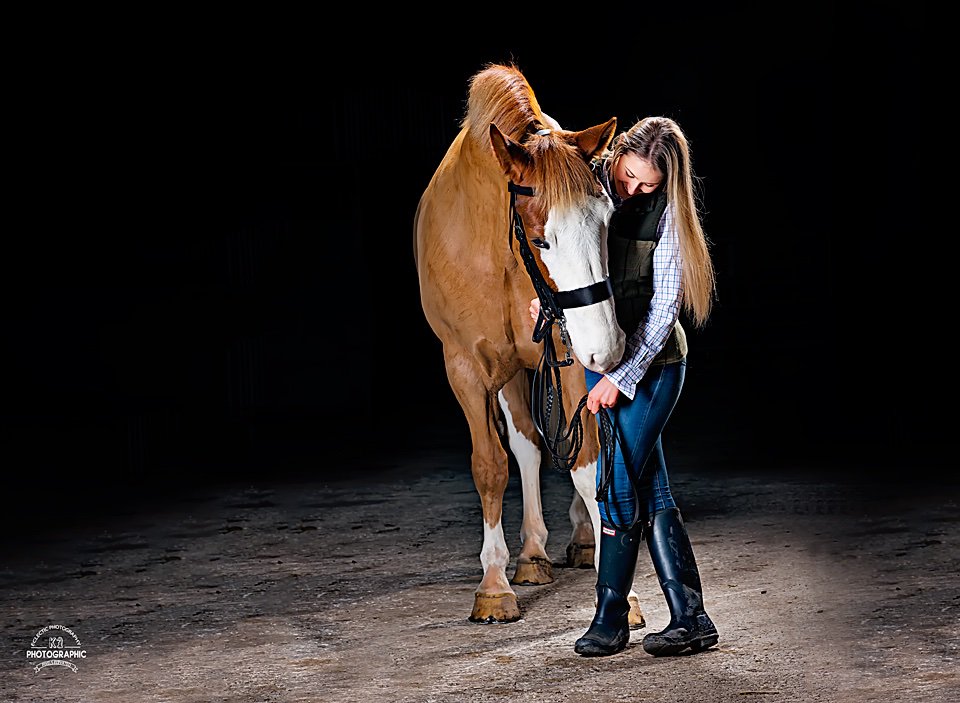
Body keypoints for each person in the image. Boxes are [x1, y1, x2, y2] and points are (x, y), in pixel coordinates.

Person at [529, 116, 718, 657]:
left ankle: (610, 619)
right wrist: (552, 302)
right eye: (628, 176)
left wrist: (619, 377)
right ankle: (692, 618)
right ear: (616, 158)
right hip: (604, 361)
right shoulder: (590, 187)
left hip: (652, 369)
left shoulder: (671, 221)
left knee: (613, 484)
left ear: (666, 185)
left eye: (647, 185)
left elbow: (661, 315)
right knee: (649, 488)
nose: (631, 190)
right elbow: (574, 259)